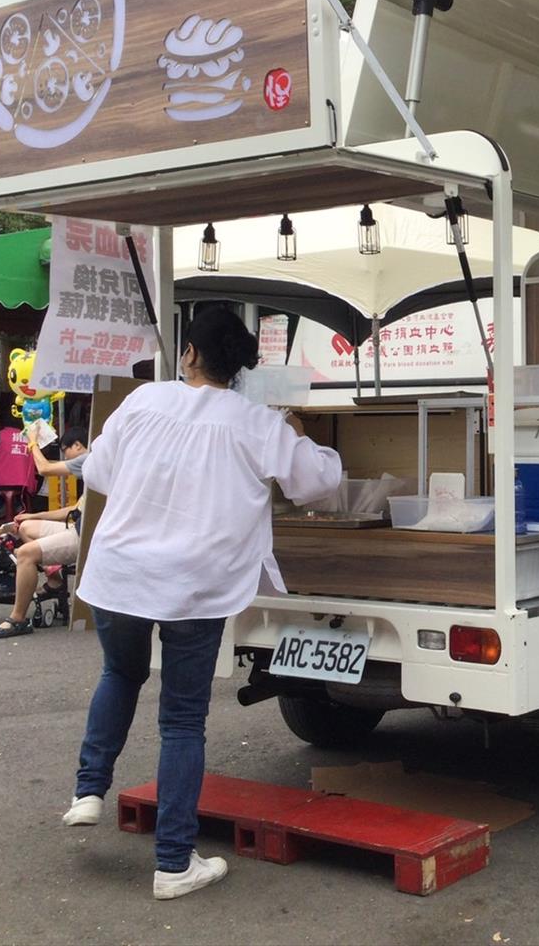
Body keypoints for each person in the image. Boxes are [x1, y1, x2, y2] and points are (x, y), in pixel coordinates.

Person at [62, 307, 341, 900]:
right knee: (182, 720)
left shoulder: (142, 401)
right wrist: (294, 430)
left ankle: (88, 791)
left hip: (120, 573)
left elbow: (101, 474)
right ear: (241, 367)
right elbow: (317, 482)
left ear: (188, 355)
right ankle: (172, 864)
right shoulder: (256, 422)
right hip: (197, 583)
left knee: (120, 672)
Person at [0, 430, 91, 641]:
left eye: (65, 451)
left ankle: (18, 619)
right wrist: (34, 515)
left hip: (84, 534)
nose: (65, 456)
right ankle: (54, 579)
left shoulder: (90, 460)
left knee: (25, 554)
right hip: (77, 524)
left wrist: (32, 442)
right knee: (26, 527)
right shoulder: (99, 463)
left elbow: (44, 468)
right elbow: (74, 511)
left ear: (78, 445)